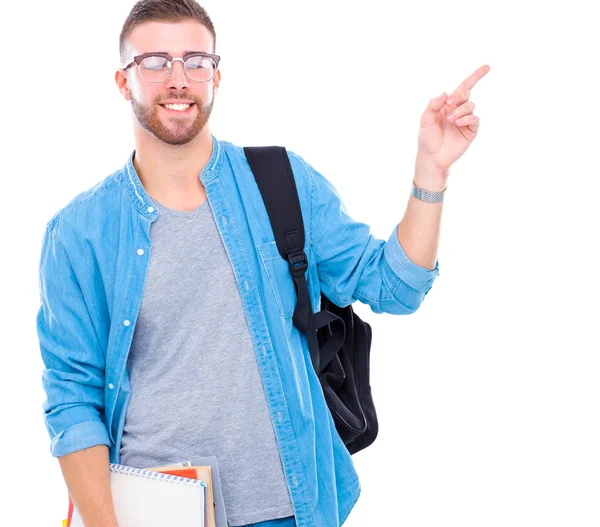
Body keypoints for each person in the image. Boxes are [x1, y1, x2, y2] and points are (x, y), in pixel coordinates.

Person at [35, 1, 490, 526]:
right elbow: (72, 400)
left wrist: (430, 172)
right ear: (123, 81)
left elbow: (394, 287)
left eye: (195, 61)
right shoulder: (78, 233)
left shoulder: (280, 180)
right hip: (152, 512)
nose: (178, 79)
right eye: (155, 62)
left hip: (292, 508)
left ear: (216, 75)